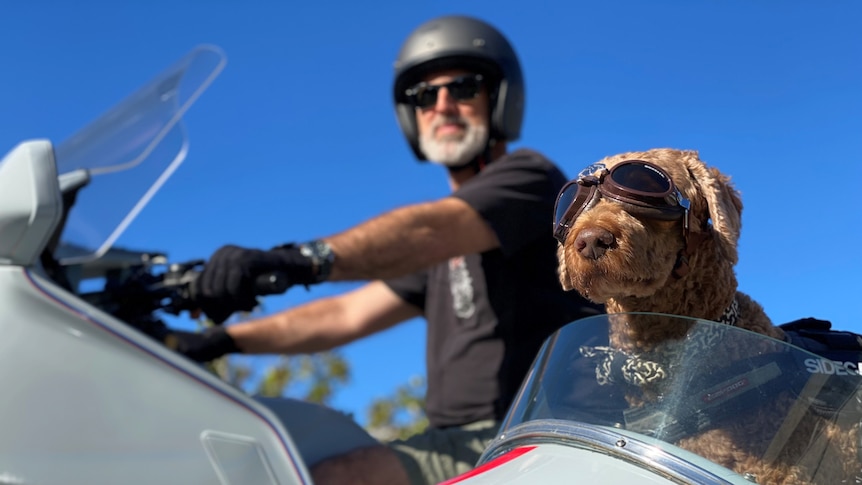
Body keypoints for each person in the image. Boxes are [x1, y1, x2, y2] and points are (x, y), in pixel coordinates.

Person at [169, 14, 603, 485]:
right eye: (423, 96)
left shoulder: (529, 179)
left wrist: (297, 259)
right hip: (465, 440)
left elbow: (430, 230)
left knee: (341, 475)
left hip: (532, 435)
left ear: (498, 99)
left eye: (462, 88)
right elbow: (343, 315)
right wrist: (222, 340)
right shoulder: (436, 253)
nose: (442, 105)